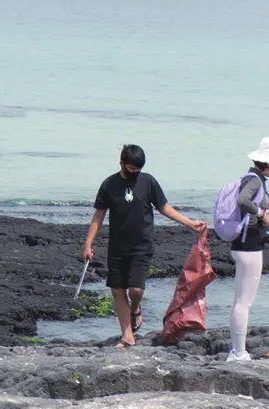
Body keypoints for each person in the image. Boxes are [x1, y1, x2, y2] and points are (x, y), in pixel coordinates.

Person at [83, 144, 205, 348]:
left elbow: (164, 207)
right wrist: (88, 244)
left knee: (136, 290)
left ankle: (135, 308)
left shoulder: (148, 182)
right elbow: (98, 216)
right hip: (117, 247)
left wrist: (190, 223)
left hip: (142, 244)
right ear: (121, 163)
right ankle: (127, 337)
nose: (135, 173)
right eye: (131, 169)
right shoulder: (109, 184)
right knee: (118, 290)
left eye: (138, 169)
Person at [226, 137, 269, 362]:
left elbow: (250, 208)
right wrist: (262, 214)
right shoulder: (255, 181)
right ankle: (239, 353)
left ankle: (236, 350)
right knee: (244, 302)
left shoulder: (252, 178)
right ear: (268, 162)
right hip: (250, 246)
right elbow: (243, 201)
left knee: (239, 300)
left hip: (242, 244)